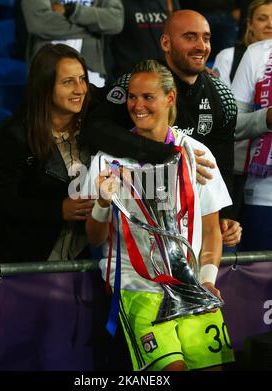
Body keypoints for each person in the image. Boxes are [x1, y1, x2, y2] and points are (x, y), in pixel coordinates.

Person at [83, 60, 234, 371]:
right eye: (132, 97)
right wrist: (100, 202)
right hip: (139, 289)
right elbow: (95, 238)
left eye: (147, 97)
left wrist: (206, 281)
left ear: (170, 98)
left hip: (191, 287)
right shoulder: (108, 159)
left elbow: (211, 231)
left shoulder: (196, 153)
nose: (137, 105)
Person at [81, 9, 242, 248]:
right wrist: (168, 155)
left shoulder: (222, 96)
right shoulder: (136, 83)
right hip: (132, 231)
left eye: (206, 38)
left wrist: (227, 214)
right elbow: (94, 129)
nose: (201, 46)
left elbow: (223, 163)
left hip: (190, 226)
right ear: (166, 43)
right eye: (190, 37)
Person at [0, 43, 94, 264]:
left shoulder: (94, 128)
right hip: (30, 263)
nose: (80, 89)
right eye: (68, 82)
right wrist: (58, 210)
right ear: (45, 86)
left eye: (82, 79)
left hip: (82, 260)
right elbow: (3, 202)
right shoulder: (15, 134)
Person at [213, 0, 272, 221]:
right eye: (262, 18)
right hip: (236, 170)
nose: (269, 25)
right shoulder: (231, 56)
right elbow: (228, 119)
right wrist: (266, 117)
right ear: (249, 24)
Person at [21, 0, 124, 86]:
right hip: (46, 67)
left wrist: (72, 11)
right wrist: (92, 29)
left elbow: (115, 21)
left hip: (90, 69)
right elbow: (39, 23)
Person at [231, 38, 272, 251]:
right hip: (264, 196)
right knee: (261, 282)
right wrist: (267, 118)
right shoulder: (257, 54)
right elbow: (232, 124)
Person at [105, 0, 181, 83]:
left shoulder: (170, 2)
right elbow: (106, 43)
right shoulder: (117, 3)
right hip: (128, 80)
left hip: (163, 80)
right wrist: (111, 78)